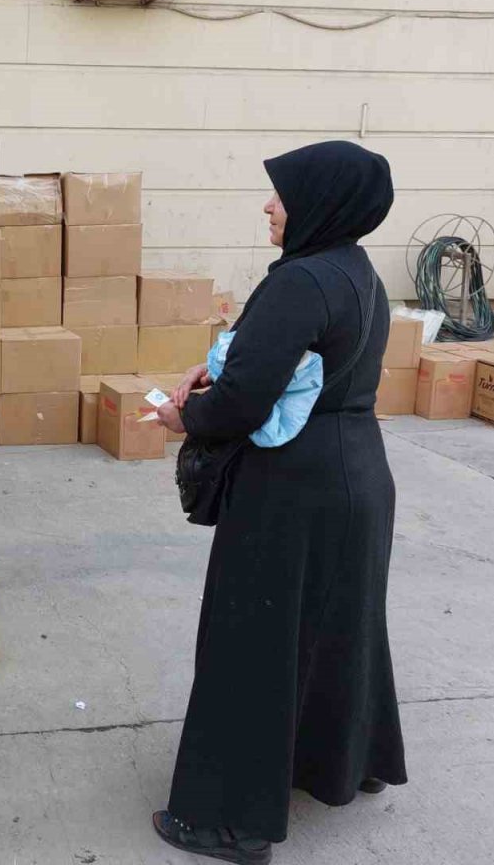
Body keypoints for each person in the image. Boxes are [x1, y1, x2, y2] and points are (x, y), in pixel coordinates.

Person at [152, 141, 407, 864]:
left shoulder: (298, 281)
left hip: (294, 487)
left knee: (251, 642)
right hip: (357, 475)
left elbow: (241, 403)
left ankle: (228, 822)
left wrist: (185, 417)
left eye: (282, 195)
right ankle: (345, 764)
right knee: (339, 627)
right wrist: (228, 359)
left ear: (321, 204)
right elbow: (299, 364)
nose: (269, 205)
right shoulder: (357, 272)